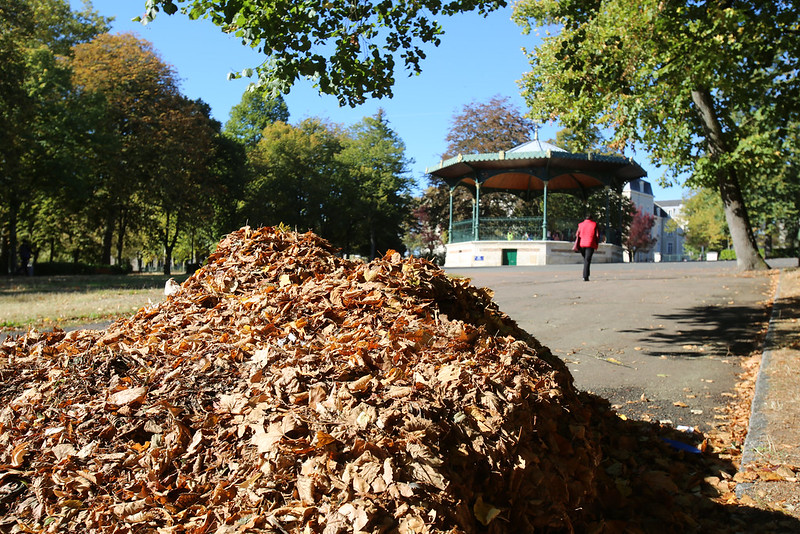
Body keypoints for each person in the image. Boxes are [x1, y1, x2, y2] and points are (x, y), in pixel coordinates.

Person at [575, 214, 599, 281]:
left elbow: (577, 234)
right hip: (590, 244)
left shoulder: (580, 224)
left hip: (582, 244)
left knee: (586, 259)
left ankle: (586, 275)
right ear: (591, 218)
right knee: (587, 260)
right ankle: (585, 276)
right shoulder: (594, 224)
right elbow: (597, 235)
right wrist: (596, 244)